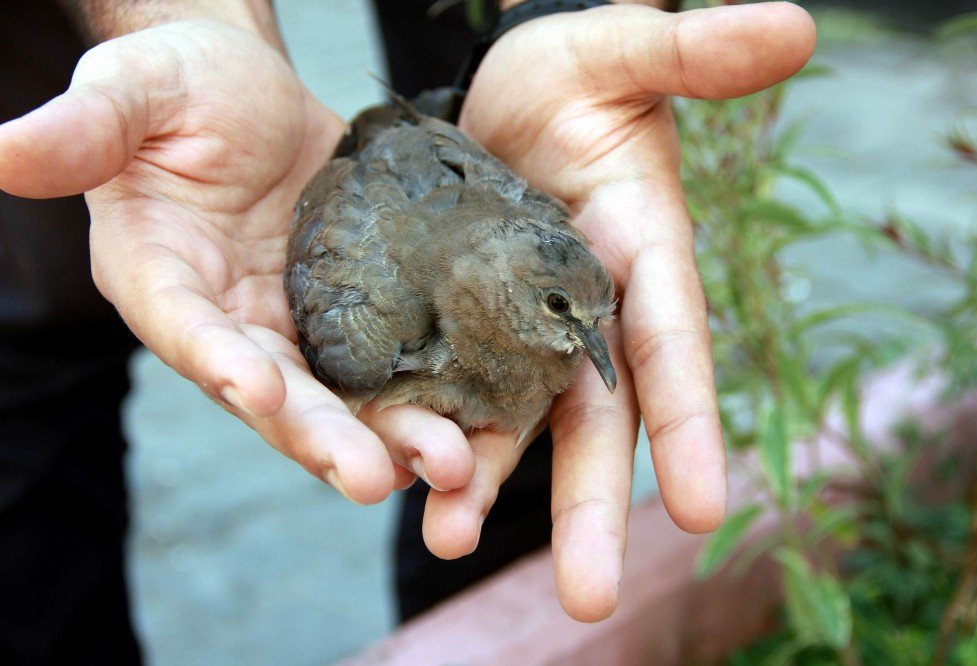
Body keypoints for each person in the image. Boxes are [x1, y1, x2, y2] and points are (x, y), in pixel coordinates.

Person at [0, 0, 816, 662]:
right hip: (382, 183)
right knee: (43, 339)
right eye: (567, 315)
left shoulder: (544, 256)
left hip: (444, 156)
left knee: (523, 464)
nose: (592, 344)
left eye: (587, 318)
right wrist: (190, 23)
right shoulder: (382, 323)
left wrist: (555, 12)